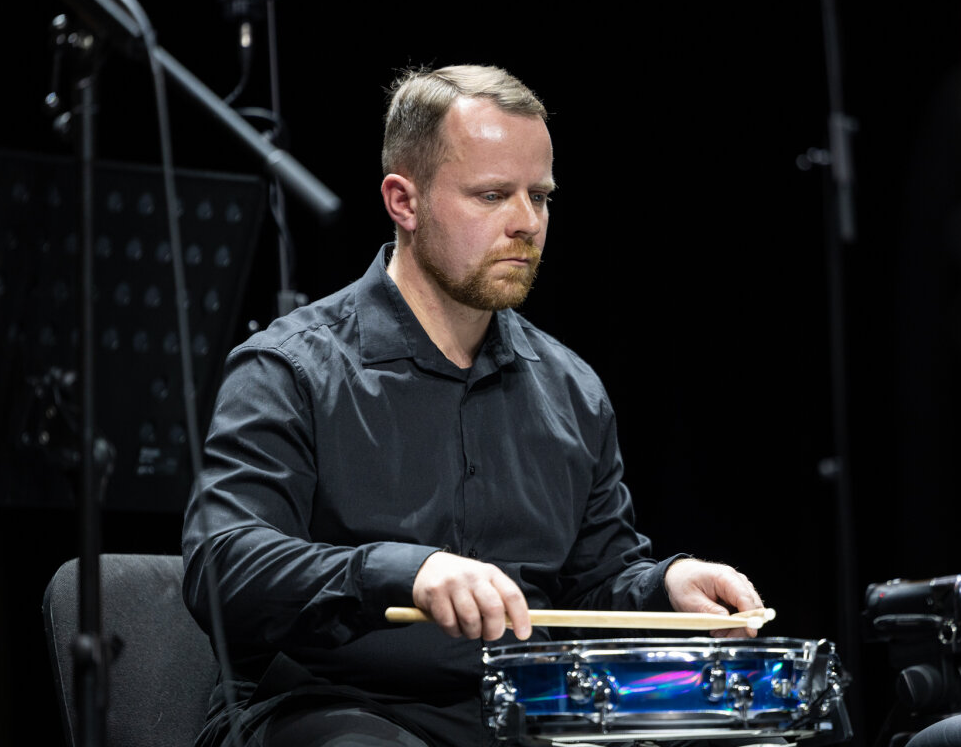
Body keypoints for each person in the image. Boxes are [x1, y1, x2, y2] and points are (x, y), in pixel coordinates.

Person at [182, 65, 767, 747]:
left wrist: (668, 584)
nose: (526, 223)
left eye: (539, 197)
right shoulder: (289, 368)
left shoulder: (571, 390)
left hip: (517, 714)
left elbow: (594, 583)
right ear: (403, 201)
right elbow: (223, 564)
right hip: (329, 706)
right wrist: (403, 571)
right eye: (492, 195)